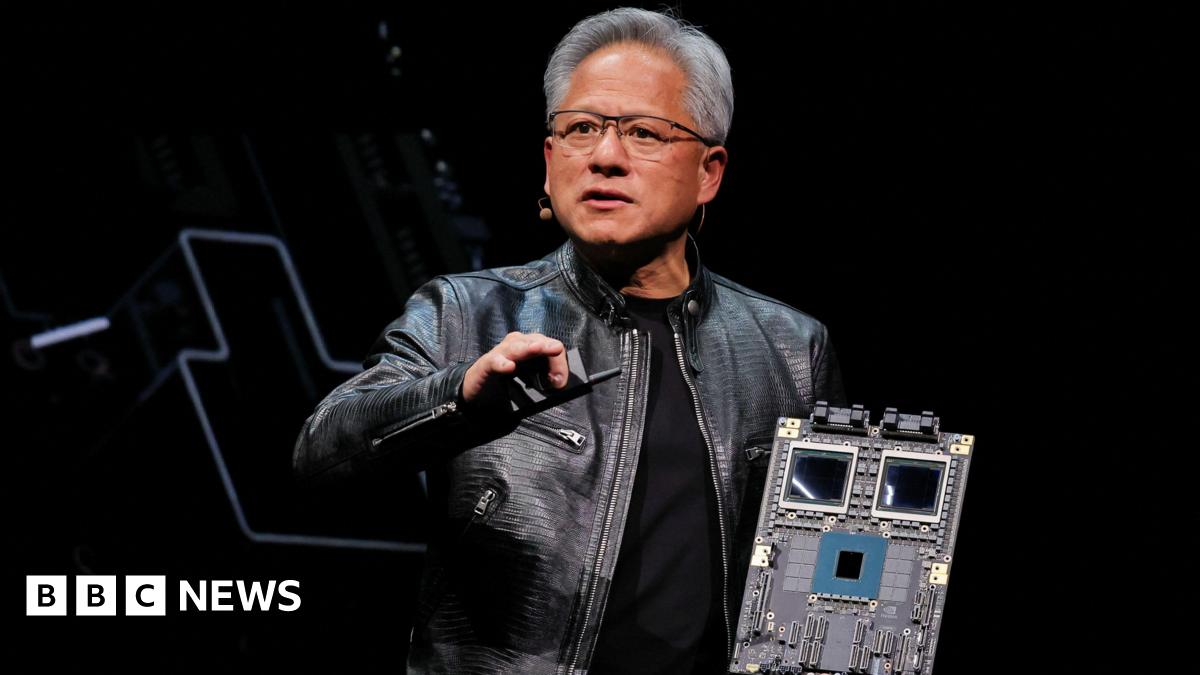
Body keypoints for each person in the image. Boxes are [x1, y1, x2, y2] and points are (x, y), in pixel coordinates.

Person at [292, 7, 846, 674]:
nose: (605, 157)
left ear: (709, 171)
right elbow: (321, 456)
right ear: (551, 161)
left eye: (645, 132)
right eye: (581, 129)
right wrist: (462, 399)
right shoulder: (467, 310)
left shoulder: (792, 348)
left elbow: (821, 594)